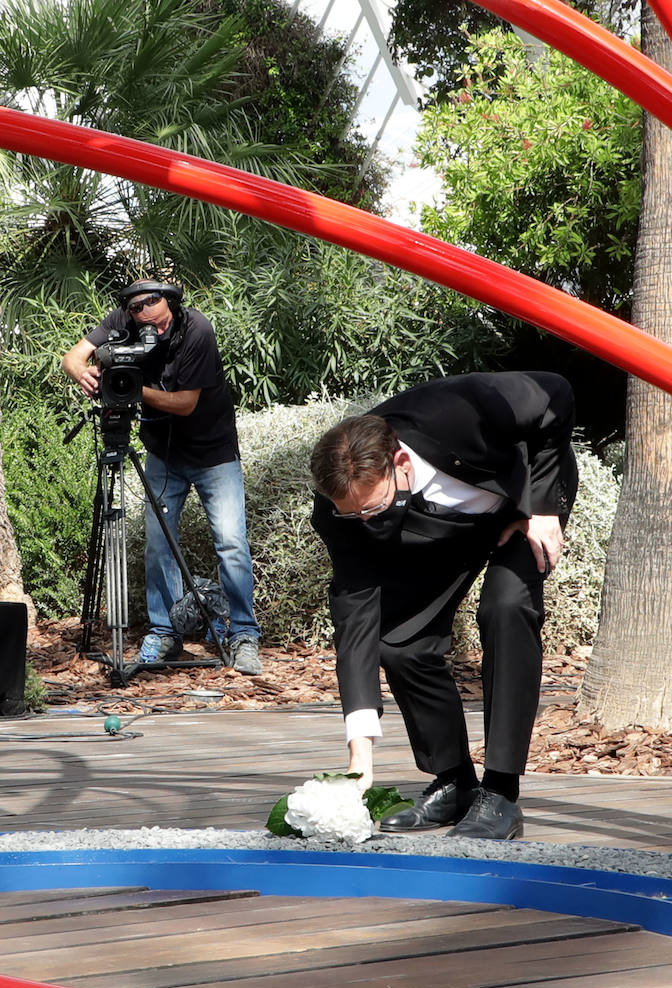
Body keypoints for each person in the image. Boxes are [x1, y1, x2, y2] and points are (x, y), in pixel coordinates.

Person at [309, 372, 577, 841]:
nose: (361, 524)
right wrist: (359, 759)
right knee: (400, 644)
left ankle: (500, 794)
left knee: (506, 606)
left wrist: (543, 507)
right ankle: (455, 782)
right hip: (440, 529)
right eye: (351, 515)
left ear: (399, 462)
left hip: (522, 505)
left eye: (371, 509)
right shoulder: (341, 512)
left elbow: (557, 390)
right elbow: (354, 620)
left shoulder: (458, 413)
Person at [61, 280, 262, 676]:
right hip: (162, 454)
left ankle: (243, 635)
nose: (145, 312)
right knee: (158, 545)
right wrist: (82, 372)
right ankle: (165, 633)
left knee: (231, 542)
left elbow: (185, 404)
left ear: (170, 302)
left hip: (213, 454)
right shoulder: (123, 320)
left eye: (153, 303)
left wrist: (132, 389)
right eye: (136, 307)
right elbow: (72, 356)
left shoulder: (197, 330)